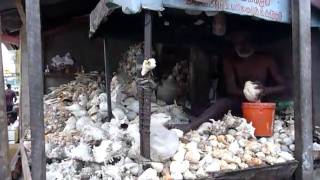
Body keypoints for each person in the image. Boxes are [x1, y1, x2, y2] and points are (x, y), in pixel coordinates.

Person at [173, 31, 286, 132]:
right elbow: (231, 89)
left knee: (221, 104)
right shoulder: (230, 61)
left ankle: (190, 127)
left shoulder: (266, 60)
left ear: (253, 42)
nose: (242, 46)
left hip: (261, 105)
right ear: (233, 45)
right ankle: (194, 122)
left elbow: (283, 86)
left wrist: (264, 90)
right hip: (239, 103)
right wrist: (247, 95)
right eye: (238, 43)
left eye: (245, 42)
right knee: (206, 107)